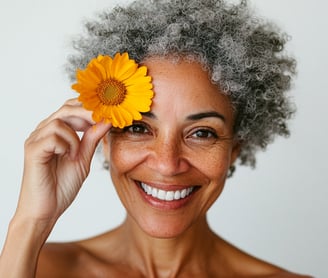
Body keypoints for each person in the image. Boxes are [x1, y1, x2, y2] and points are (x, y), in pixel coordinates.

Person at [0, 0, 312, 277]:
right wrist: (30, 223)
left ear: (234, 150)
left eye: (202, 133)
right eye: (138, 128)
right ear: (104, 141)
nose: (166, 164)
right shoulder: (36, 268)